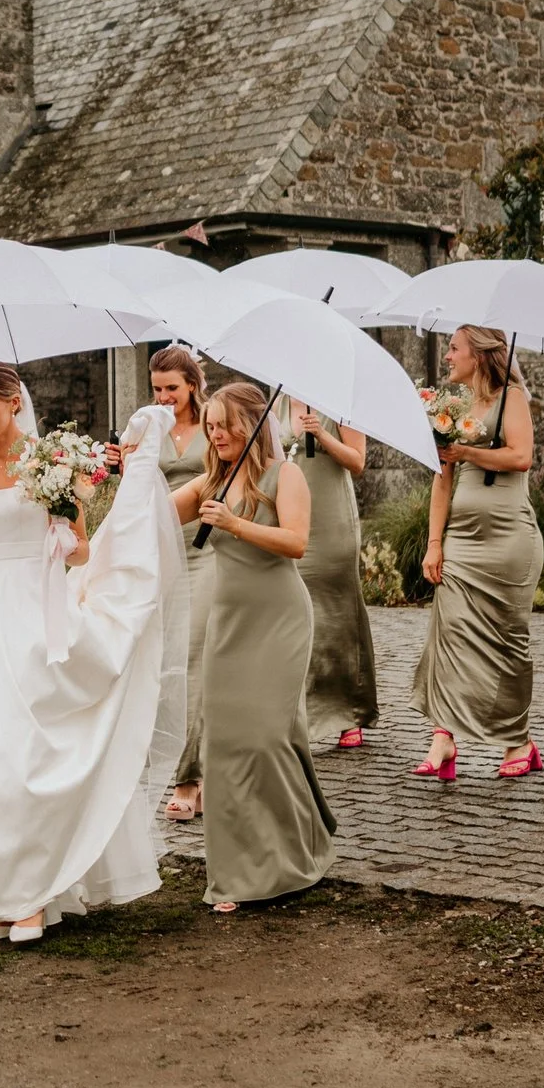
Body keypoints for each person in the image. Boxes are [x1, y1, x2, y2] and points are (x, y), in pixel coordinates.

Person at [0, 366, 188, 944]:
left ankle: (35, 899)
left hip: (36, 614)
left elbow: (81, 551)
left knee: (31, 757)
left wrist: (61, 535)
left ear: (14, 402)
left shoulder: (50, 458)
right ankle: (4, 896)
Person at [172, 381, 336, 912]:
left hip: (279, 618)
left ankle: (293, 852)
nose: (215, 434)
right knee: (225, 744)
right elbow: (154, 512)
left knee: (266, 736)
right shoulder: (211, 480)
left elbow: (296, 542)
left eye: (224, 424)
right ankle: (237, 874)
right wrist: (110, 473)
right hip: (230, 622)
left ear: (251, 423)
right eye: (211, 425)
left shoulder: (284, 474)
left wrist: (236, 523)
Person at [411, 326, 544, 782]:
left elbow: (521, 456)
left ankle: (518, 741)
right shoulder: (453, 406)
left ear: (480, 354)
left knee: (507, 642)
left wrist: (468, 450)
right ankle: (443, 738)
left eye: (454, 348)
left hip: (509, 539)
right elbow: (441, 478)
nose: (447, 356)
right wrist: (434, 543)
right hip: (462, 539)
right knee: (449, 636)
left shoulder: (513, 399)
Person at [109, 347, 214, 821]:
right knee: (156, 659)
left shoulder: (215, 423)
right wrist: (120, 465)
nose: (164, 397)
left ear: (192, 383)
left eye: (173, 387)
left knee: (190, 660)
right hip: (155, 555)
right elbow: (134, 488)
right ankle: (154, 760)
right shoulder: (147, 423)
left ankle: (190, 779)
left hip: (205, 551)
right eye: (157, 389)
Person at [291, 401, 378, 748]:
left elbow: (357, 461)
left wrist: (322, 433)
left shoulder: (342, 401)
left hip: (330, 519)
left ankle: (348, 713)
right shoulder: (279, 397)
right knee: (297, 615)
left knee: (336, 615)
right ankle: (303, 714)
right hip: (291, 514)